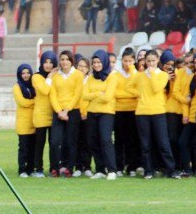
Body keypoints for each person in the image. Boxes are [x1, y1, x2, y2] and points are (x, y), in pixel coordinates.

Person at [127, 49, 180, 179]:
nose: (151, 63)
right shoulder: (139, 75)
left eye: (153, 61)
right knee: (145, 144)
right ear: (145, 61)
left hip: (158, 112)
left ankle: (171, 170)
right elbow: (128, 87)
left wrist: (151, 74)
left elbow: (156, 88)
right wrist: (139, 94)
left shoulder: (163, 75)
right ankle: (148, 170)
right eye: (148, 61)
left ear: (157, 61)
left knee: (163, 143)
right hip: (142, 112)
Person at [83, 50, 118, 179]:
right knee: (93, 141)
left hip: (106, 113)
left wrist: (94, 95)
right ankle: (100, 169)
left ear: (104, 62)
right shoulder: (91, 78)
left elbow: (108, 97)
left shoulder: (112, 77)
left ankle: (112, 169)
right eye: (94, 62)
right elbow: (84, 95)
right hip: (92, 112)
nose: (97, 65)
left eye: (99, 62)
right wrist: (98, 94)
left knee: (105, 139)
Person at [49, 50, 83, 177]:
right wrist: (59, 111)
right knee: (54, 141)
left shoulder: (78, 75)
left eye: (67, 59)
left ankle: (69, 167)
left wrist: (67, 110)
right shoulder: (55, 76)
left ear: (71, 61)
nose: (64, 62)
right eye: (62, 59)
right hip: (58, 112)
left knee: (70, 141)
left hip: (73, 111)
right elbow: (52, 94)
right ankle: (54, 168)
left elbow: (77, 94)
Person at [114, 47, 141, 175]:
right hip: (118, 110)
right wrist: (129, 93)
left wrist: (125, 92)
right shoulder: (116, 74)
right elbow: (114, 93)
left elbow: (138, 93)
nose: (127, 64)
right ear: (122, 61)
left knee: (132, 139)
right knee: (119, 139)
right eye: (125, 61)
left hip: (133, 110)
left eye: (130, 61)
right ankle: (119, 166)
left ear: (134, 60)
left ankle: (131, 167)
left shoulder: (137, 75)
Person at [31, 51, 58, 177]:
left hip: (54, 114)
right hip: (41, 114)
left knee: (54, 143)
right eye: (45, 62)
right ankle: (38, 169)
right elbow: (45, 90)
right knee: (39, 143)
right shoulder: (36, 77)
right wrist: (50, 77)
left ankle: (54, 168)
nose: (48, 65)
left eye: (51, 62)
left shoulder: (56, 76)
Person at [13, 64, 36, 177]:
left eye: (28, 73)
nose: (26, 75)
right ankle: (22, 170)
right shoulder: (17, 87)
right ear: (19, 74)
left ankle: (30, 169)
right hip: (23, 122)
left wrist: (31, 103)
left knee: (33, 147)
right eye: (23, 73)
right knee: (23, 147)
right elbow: (22, 102)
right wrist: (34, 102)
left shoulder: (33, 85)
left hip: (34, 120)